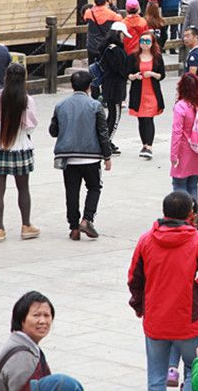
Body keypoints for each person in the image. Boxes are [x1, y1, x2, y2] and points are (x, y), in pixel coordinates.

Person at [128, 190, 198, 391]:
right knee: (194, 371)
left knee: (156, 377)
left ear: (164, 212)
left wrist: (139, 306)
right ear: (191, 214)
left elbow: (134, 280)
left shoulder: (146, 241)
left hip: (156, 319)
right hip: (188, 319)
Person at [49, 70, 112, 241]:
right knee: (94, 187)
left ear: (72, 85)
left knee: (71, 192)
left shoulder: (61, 105)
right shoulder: (95, 106)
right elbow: (103, 133)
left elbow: (53, 131)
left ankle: (74, 227)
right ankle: (87, 219)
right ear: (89, 87)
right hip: (91, 156)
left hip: (68, 156)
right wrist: (107, 156)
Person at [0, 63, 39, 243]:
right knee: (24, 188)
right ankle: (26, 225)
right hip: (20, 148)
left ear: (6, 77)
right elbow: (30, 128)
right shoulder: (27, 100)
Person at [0, 291, 54, 391]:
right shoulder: (23, 358)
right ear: (21, 319)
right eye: (36, 315)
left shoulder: (21, 344)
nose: (42, 321)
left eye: (46, 315)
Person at [170, 73, 198, 203]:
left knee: (179, 185)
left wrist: (173, 155)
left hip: (184, 151)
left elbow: (177, 132)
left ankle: (182, 212)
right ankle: (194, 212)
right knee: (193, 185)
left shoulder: (180, 106)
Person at [129, 30, 166, 160]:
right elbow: (128, 74)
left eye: (147, 41)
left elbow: (162, 75)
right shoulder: (134, 57)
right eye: (142, 41)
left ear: (152, 43)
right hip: (138, 93)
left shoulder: (157, 57)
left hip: (152, 93)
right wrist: (134, 76)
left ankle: (149, 146)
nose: (144, 43)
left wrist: (152, 74)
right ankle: (144, 144)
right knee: (141, 119)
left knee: (149, 119)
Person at [99, 24, 130, 154]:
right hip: (116, 87)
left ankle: (105, 140)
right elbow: (120, 70)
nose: (124, 38)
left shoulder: (106, 47)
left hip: (108, 85)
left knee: (111, 115)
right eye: (123, 34)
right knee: (115, 117)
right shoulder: (116, 50)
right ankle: (107, 143)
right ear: (118, 33)